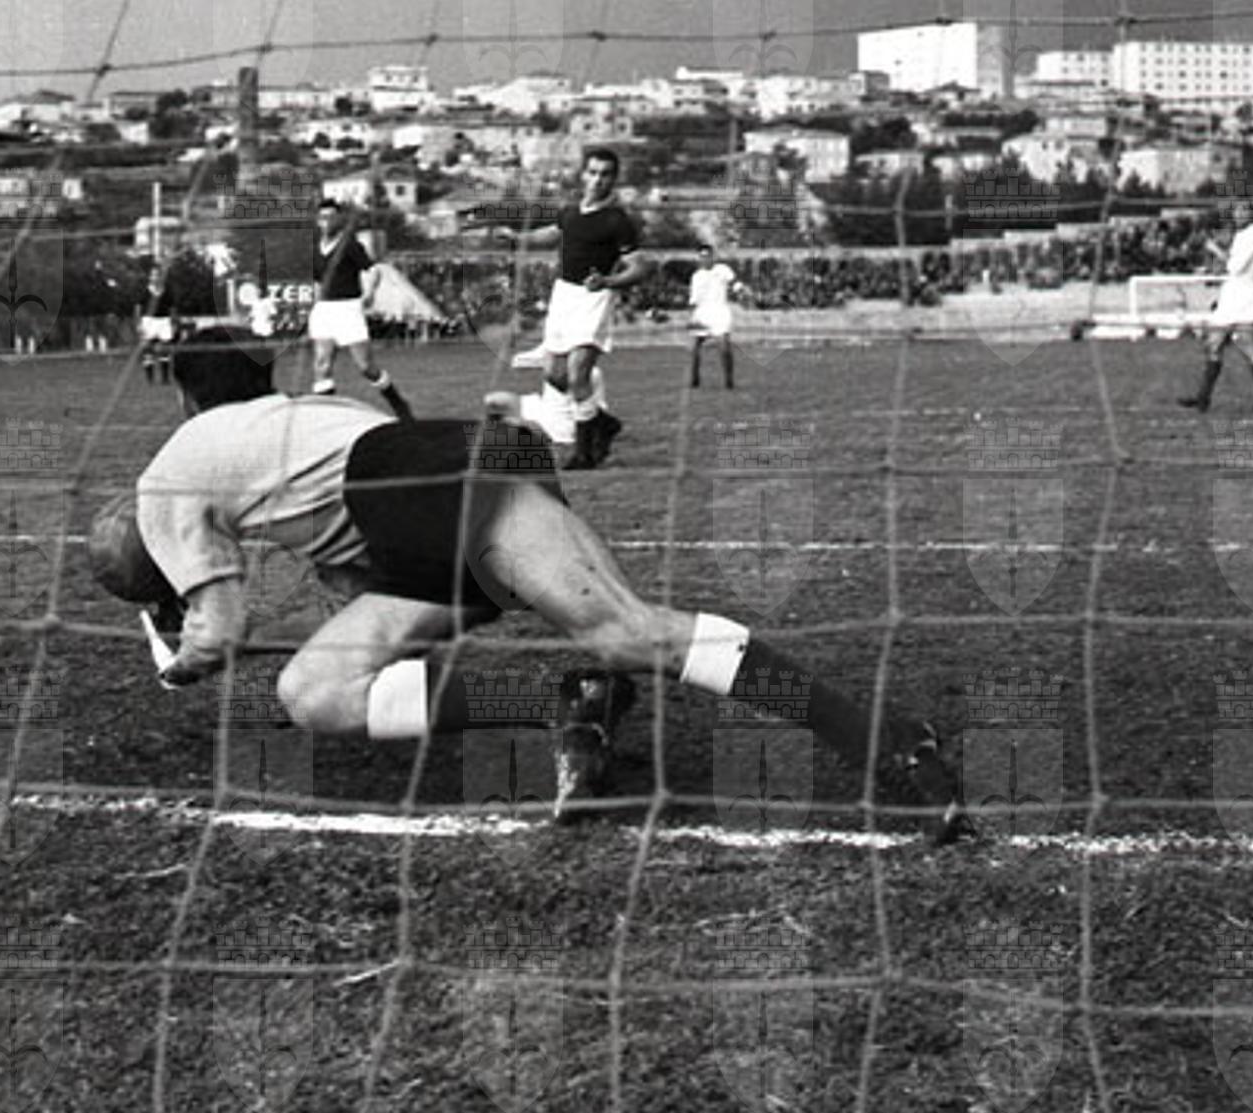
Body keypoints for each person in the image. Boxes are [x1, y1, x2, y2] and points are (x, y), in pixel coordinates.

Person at [93, 327, 969, 833]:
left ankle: (887, 737)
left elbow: (220, 627)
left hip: (424, 484)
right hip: (422, 493)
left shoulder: (164, 480)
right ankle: (567, 705)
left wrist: (185, 659)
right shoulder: (300, 422)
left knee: (628, 632)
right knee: (316, 691)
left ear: (184, 400)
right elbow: (355, 592)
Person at [502, 148, 643, 468]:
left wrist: (607, 281)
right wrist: (517, 237)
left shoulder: (617, 221)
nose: (598, 180)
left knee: (579, 374)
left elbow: (639, 266)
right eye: (593, 172)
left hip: (594, 297)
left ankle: (584, 453)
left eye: (605, 174)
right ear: (583, 175)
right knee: (555, 375)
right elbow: (552, 234)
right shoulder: (570, 212)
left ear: (614, 179)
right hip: (563, 294)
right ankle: (603, 422)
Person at [307, 197, 412, 419]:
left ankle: (399, 404)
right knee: (322, 364)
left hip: (348, 309)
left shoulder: (350, 245)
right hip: (324, 310)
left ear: (339, 220)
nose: (327, 221)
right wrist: (315, 306)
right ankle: (328, 416)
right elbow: (317, 281)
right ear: (317, 221)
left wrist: (369, 293)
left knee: (366, 367)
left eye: (331, 217)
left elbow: (373, 270)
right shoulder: (314, 248)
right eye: (323, 217)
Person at [1180, 201, 1253, 413]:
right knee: (1213, 344)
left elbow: (1235, 267)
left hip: (1244, 297)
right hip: (1230, 295)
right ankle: (1203, 398)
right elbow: (1229, 266)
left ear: (1250, 213)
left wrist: (1214, 249)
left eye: (1243, 210)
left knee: (1249, 349)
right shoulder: (1240, 235)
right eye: (1236, 210)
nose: (1239, 214)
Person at [688, 240, 749, 391]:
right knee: (694, 348)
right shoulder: (696, 276)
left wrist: (741, 291)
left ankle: (729, 380)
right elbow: (694, 300)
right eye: (702, 256)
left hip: (720, 312)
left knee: (724, 347)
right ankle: (694, 379)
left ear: (713, 256)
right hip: (702, 313)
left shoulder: (722, 269)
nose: (705, 259)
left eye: (707, 256)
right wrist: (691, 317)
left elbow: (734, 282)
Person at [139, 262, 177, 386]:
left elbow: (172, 308)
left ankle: (165, 378)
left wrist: (173, 323)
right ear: (150, 277)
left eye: (158, 275)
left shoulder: (167, 291)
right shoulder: (144, 291)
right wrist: (139, 324)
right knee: (148, 350)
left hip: (164, 321)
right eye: (153, 275)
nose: (155, 277)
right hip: (148, 321)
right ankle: (150, 379)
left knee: (165, 350)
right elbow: (138, 308)